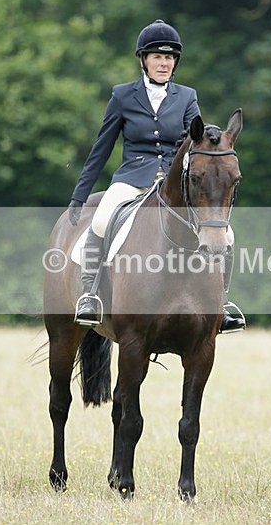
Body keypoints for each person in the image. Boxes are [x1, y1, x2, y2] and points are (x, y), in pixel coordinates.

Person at [67, 19, 245, 333]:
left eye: (169, 58)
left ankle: (223, 303)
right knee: (100, 220)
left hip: (174, 184)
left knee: (226, 235)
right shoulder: (123, 96)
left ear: (175, 63)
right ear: (144, 60)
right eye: (157, 57)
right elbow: (102, 148)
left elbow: (197, 138)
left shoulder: (187, 96)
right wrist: (80, 195)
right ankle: (90, 296)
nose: (163, 63)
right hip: (133, 178)